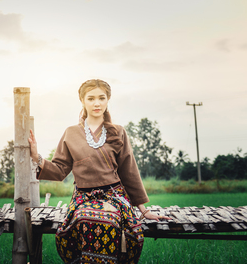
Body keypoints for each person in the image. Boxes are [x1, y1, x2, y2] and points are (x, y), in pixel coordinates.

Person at [28, 79, 170, 264]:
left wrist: (143, 210)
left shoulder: (118, 131)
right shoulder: (71, 133)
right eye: (91, 98)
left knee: (108, 219)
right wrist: (36, 157)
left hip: (114, 196)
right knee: (84, 218)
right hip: (83, 197)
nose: (97, 103)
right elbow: (60, 170)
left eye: (102, 98)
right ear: (83, 101)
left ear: (107, 100)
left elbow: (129, 172)